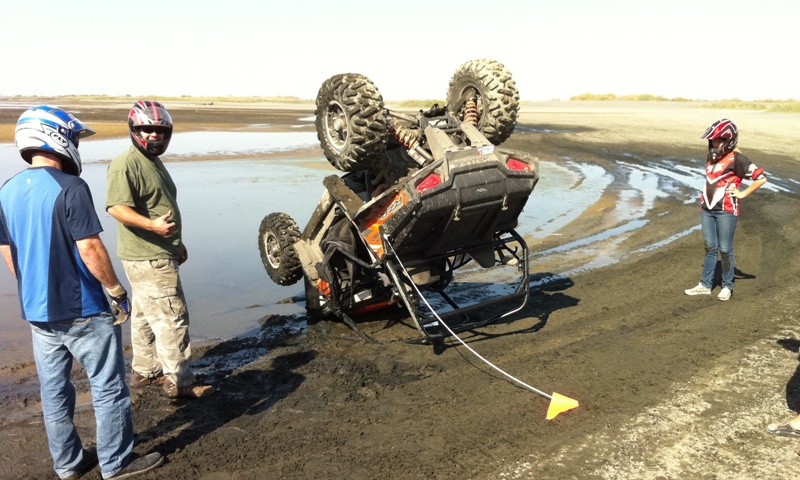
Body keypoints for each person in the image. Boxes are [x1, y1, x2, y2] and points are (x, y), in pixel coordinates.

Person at [0, 106, 163, 478]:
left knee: (54, 392)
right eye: (73, 137)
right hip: (82, 308)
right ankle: (116, 463)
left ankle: (69, 463)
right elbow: (90, 247)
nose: (76, 145)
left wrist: (30, 286)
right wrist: (117, 290)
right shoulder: (71, 187)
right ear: (57, 138)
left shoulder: (6, 190)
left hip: (38, 312)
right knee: (108, 389)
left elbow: (7, 248)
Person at [106, 100, 214, 399]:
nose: (154, 136)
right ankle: (179, 381)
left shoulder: (150, 162)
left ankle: (145, 369)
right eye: (147, 130)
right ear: (134, 129)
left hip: (153, 252)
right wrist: (154, 228)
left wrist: (175, 242)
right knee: (171, 317)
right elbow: (116, 207)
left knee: (144, 314)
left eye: (159, 131)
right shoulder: (126, 163)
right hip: (147, 255)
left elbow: (158, 205)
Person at [684, 119, 767, 301]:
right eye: (712, 140)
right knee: (710, 248)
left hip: (726, 210)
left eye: (719, 140)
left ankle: (727, 286)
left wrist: (742, 194)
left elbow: (761, 178)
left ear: (729, 140)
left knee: (725, 249)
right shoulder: (712, 156)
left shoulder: (738, 159)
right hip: (708, 210)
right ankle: (705, 285)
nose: (714, 143)